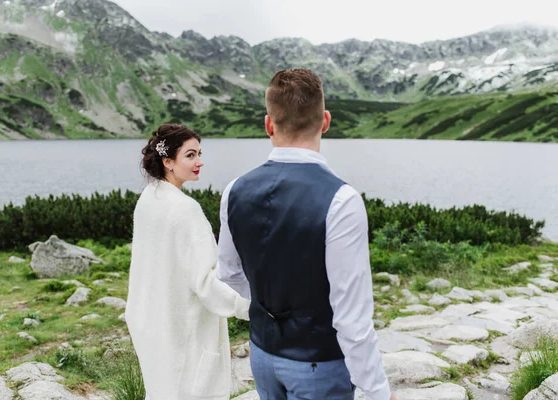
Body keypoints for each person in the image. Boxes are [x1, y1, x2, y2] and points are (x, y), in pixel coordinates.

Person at [217, 69, 395, 400]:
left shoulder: (234, 190)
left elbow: (228, 274)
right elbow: (352, 317)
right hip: (320, 363)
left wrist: (272, 308)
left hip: (262, 354)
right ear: (325, 121)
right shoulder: (342, 200)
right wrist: (379, 391)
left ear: (268, 124)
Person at [125, 123, 250, 400]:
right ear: (167, 161)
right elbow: (206, 281)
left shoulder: (148, 198)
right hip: (183, 330)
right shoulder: (186, 210)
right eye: (190, 155)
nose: (200, 162)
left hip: (151, 325)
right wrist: (250, 307)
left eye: (199, 154)